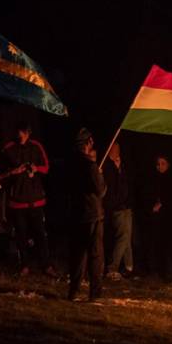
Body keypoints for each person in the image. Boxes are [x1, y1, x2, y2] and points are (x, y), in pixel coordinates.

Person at [0, 121, 56, 277]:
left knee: (40, 235)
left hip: (36, 200)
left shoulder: (36, 147)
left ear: (29, 133)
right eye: (19, 132)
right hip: (17, 202)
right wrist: (13, 172)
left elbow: (46, 167)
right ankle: (24, 265)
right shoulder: (8, 149)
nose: (20, 135)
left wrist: (36, 168)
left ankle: (46, 265)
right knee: (21, 235)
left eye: (23, 132)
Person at [65, 128, 107, 301]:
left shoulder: (70, 164)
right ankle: (95, 293)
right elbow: (101, 190)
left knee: (78, 254)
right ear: (88, 143)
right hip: (92, 214)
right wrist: (100, 176)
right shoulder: (90, 166)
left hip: (76, 213)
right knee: (96, 255)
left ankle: (73, 291)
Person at [144, 154, 172, 280]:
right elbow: (147, 195)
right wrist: (152, 206)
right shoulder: (152, 179)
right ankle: (154, 271)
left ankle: (170, 273)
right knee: (154, 244)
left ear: (168, 164)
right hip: (156, 218)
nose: (160, 166)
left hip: (169, 218)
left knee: (169, 245)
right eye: (158, 164)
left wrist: (163, 203)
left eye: (163, 163)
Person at [103, 141, 135, 281]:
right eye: (113, 148)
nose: (116, 151)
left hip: (126, 205)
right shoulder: (106, 166)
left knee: (127, 236)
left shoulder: (123, 164)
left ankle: (129, 266)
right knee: (122, 236)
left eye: (117, 148)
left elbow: (127, 183)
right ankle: (112, 267)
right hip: (116, 207)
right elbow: (111, 188)